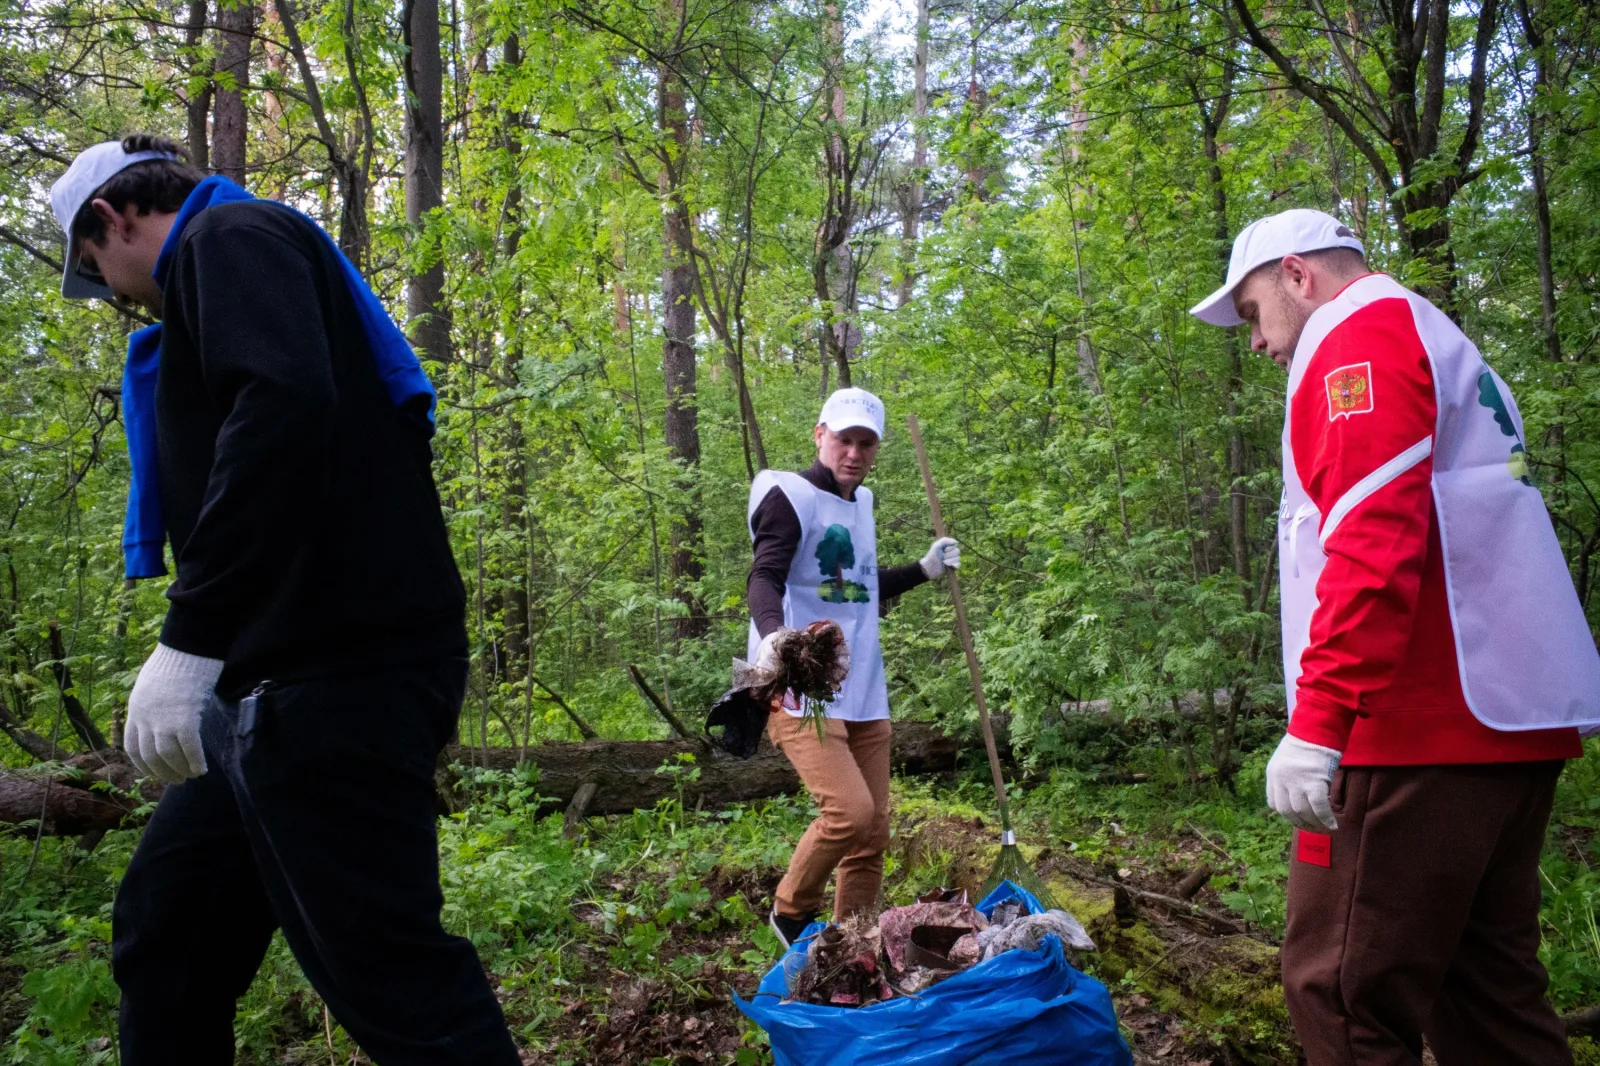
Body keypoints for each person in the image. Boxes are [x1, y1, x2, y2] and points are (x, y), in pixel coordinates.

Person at [50, 135, 521, 1064]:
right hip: (267, 684)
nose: (116, 300)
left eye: (100, 274)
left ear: (110, 219)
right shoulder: (231, 253)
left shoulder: (230, 236)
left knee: (394, 982)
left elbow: (284, 403)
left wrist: (190, 637)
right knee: (167, 936)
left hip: (334, 677)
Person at [1191, 208, 1599, 1066]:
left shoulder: (1358, 339)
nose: (1258, 344)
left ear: (1298, 276)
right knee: (1486, 993)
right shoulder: (1432, 334)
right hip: (1503, 722)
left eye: (1255, 312)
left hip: (1413, 729)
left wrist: (1320, 721)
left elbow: (1373, 537)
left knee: (1341, 992)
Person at [748, 387, 959, 947]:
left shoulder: (862, 504)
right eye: (844, 439)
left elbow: (856, 589)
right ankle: (791, 912)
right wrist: (772, 637)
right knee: (848, 812)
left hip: (864, 685)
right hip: (801, 682)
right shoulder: (786, 495)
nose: (854, 452)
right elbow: (764, 576)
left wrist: (922, 570)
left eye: (866, 443)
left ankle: (854, 947)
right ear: (820, 434)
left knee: (873, 834)